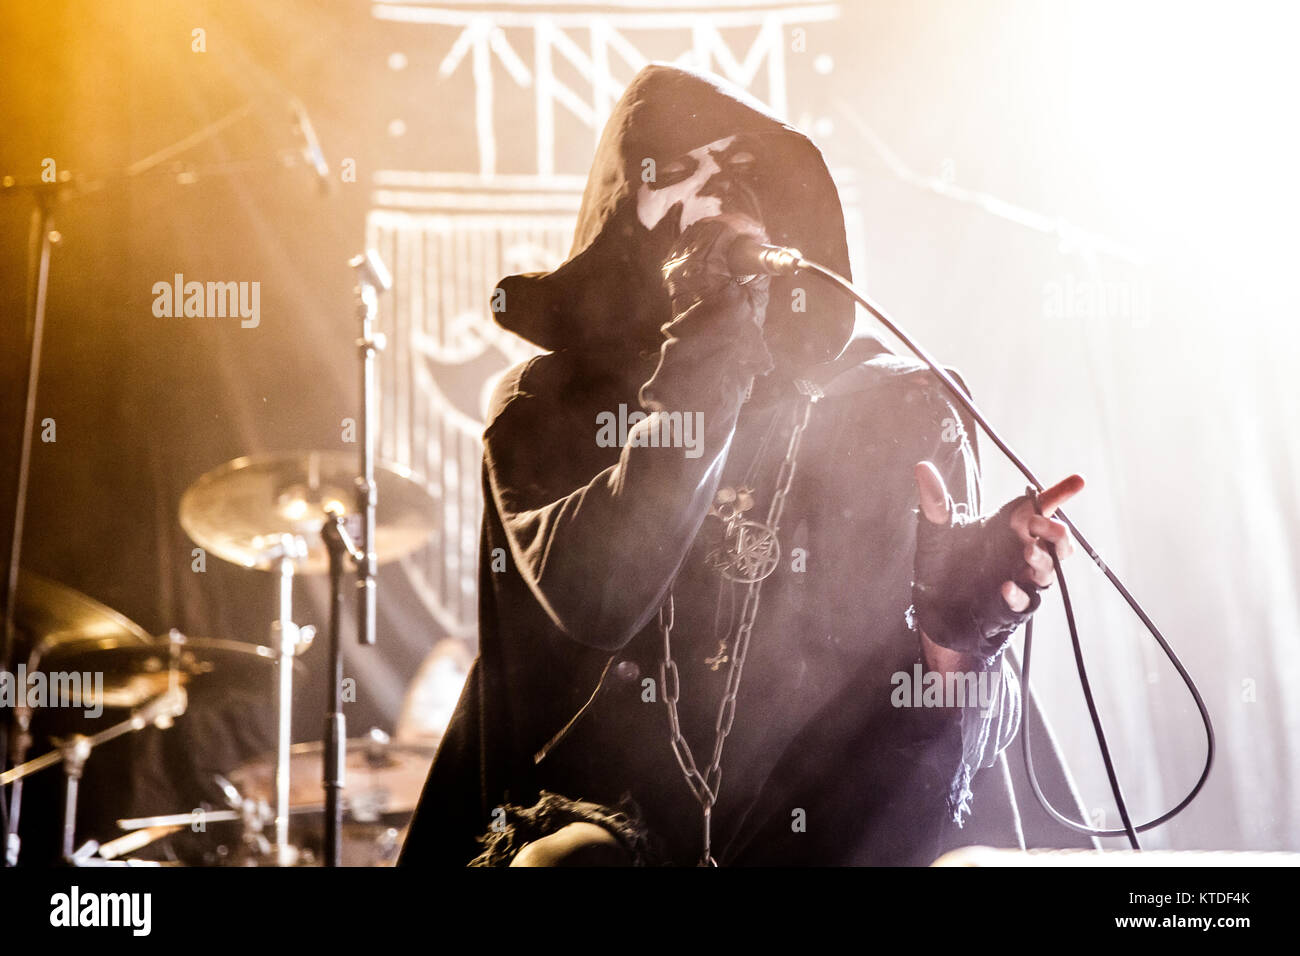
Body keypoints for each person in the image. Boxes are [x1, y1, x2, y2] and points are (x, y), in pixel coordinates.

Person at [400, 63, 1084, 867]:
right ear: (624, 213)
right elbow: (598, 593)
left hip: (837, 810)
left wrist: (961, 634)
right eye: (678, 171)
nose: (715, 194)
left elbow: (948, 733)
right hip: (606, 815)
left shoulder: (899, 406)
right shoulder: (546, 407)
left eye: (744, 170)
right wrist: (704, 350)